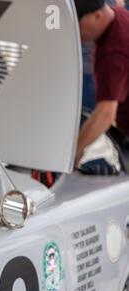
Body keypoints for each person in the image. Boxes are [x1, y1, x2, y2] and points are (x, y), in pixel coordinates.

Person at [74, 0, 129, 171]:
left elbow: (105, 113)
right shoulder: (117, 15)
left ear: (97, 16)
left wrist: (75, 152)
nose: (77, 32)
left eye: (79, 24)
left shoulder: (114, 52)